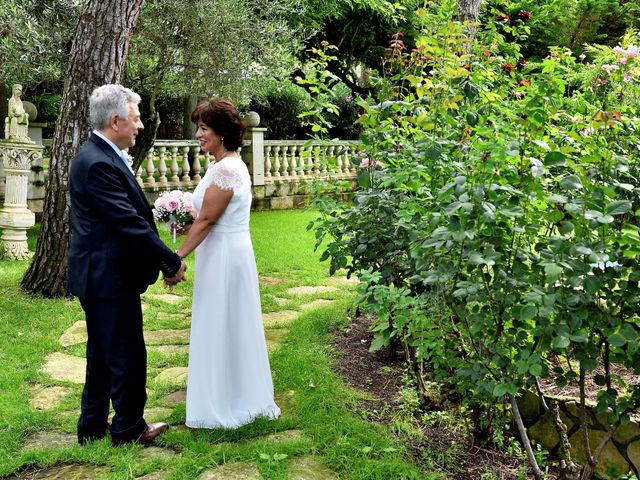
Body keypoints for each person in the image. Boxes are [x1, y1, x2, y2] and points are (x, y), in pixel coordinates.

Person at [68, 84, 187, 446]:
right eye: (135, 119)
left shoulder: (100, 155)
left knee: (103, 352)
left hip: (103, 274)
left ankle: (91, 425)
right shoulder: (97, 163)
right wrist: (171, 260)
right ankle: (129, 428)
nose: (139, 126)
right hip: (107, 276)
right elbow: (129, 224)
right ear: (115, 120)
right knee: (126, 354)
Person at [176, 98, 280, 428]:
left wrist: (175, 258)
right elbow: (204, 218)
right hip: (225, 250)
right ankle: (232, 393)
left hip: (223, 255)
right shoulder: (226, 165)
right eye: (198, 127)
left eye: (203, 128)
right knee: (228, 324)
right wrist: (180, 218)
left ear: (221, 133)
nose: (197, 134)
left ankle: (226, 402)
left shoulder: (226, 170)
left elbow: (207, 221)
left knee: (223, 322)